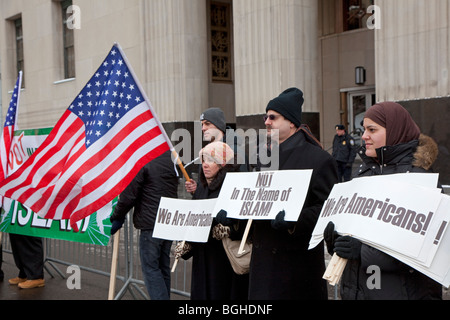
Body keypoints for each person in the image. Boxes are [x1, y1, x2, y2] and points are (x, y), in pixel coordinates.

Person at [324, 101, 443, 300]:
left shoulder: (419, 179)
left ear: (395, 131)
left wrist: (362, 253)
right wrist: (337, 243)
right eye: (364, 129)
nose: (364, 136)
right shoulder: (363, 173)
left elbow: (423, 249)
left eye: (372, 129)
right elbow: (357, 235)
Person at [247, 87, 338, 300]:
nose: (266, 121)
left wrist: (295, 221)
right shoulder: (262, 158)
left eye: (273, 117)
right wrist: (234, 217)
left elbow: (329, 209)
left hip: (296, 267)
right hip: (263, 264)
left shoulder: (319, 159)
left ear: (291, 122)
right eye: (265, 116)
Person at [176, 141, 249, 300]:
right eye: (203, 160)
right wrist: (187, 244)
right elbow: (195, 220)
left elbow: (247, 222)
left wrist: (229, 229)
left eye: (210, 160)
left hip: (223, 260)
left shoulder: (234, 186)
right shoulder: (202, 187)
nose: (205, 165)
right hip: (202, 258)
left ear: (222, 163)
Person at [109, 150, 179, 300]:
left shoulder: (143, 157)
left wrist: (117, 216)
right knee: (162, 268)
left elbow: (129, 195)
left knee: (151, 269)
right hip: (168, 220)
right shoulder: (170, 157)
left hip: (151, 223)